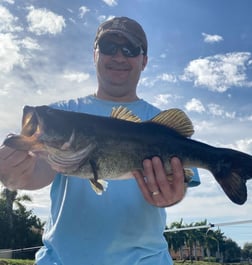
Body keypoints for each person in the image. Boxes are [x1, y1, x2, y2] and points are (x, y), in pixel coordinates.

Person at [0, 17, 200, 265]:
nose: (118, 56)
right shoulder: (64, 111)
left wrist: (174, 194)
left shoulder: (159, 123)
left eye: (130, 49)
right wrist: (13, 173)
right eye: (108, 47)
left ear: (144, 60)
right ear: (95, 55)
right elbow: (36, 170)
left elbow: (184, 179)